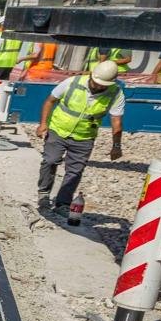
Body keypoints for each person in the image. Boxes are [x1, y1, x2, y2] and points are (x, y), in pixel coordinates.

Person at [36, 59, 126, 216]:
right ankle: (44, 195)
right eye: (96, 82)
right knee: (50, 161)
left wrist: (116, 146)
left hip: (84, 137)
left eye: (103, 85)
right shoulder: (72, 82)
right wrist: (43, 124)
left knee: (75, 171)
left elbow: (116, 121)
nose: (98, 86)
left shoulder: (115, 93)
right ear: (91, 75)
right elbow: (50, 101)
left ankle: (63, 203)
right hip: (58, 130)